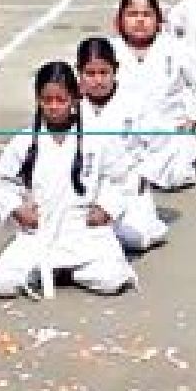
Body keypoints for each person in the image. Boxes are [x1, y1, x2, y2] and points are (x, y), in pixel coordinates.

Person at [0, 62, 136, 298]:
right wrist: (18, 209)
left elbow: (120, 176)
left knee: (111, 280)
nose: (54, 107)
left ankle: (70, 271)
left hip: (84, 231)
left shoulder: (97, 137)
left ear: (75, 99)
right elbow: (3, 180)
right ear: (38, 100)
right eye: (47, 100)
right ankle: (50, 268)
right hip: (40, 230)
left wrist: (106, 208)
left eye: (61, 100)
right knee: (0, 284)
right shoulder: (25, 141)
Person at [76, 37, 170, 252]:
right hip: (85, 189)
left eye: (104, 73)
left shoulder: (135, 103)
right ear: (79, 72)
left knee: (133, 238)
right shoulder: (72, 108)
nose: (98, 80)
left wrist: (142, 176)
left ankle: (151, 226)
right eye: (90, 73)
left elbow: (163, 145)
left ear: (115, 70)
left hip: (126, 188)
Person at [110, 0, 196, 183]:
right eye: (132, 14)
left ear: (159, 21)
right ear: (120, 20)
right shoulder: (109, 50)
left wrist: (194, 116)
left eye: (147, 14)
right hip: (123, 133)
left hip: (167, 132)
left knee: (176, 173)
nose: (140, 20)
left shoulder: (176, 49)